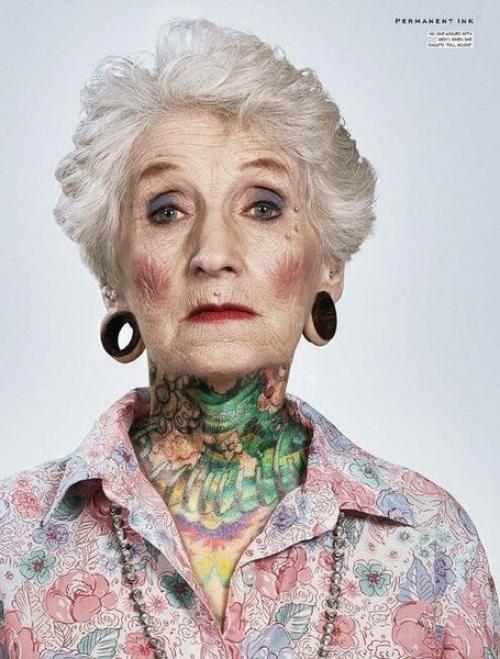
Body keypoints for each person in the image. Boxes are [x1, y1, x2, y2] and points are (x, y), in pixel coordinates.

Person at [0, 17, 498, 659]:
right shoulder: (13, 541)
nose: (213, 254)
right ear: (114, 275)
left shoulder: (430, 542)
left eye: (263, 206)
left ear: (328, 266)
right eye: (166, 210)